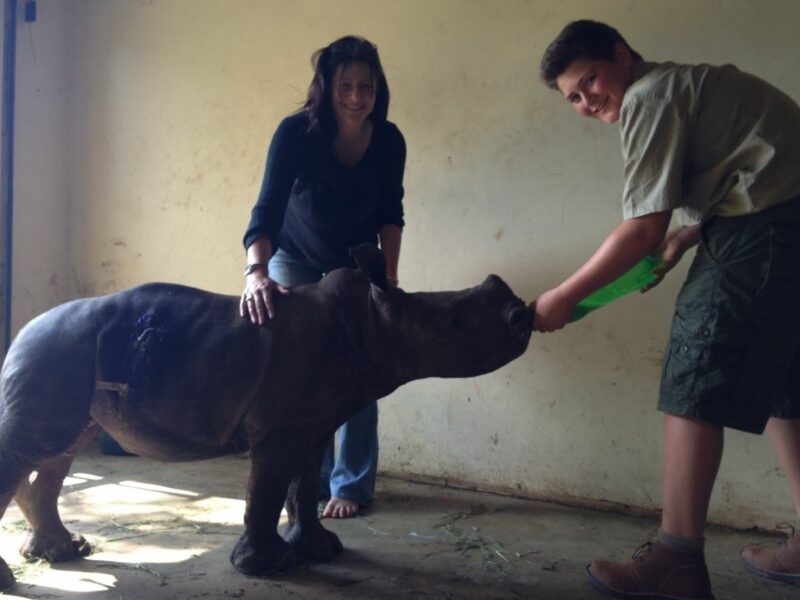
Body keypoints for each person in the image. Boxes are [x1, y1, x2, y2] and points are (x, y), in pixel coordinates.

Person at [536, 19, 800, 599]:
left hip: (766, 226)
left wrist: (561, 297)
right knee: (784, 375)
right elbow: (747, 162)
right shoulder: (684, 84)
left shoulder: (649, 96)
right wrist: (686, 235)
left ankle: (676, 559)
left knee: (694, 357)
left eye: (590, 81)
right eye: (573, 98)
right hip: (783, 218)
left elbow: (639, 230)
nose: (586, 102)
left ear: (621, 54)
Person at [241, 35, 406, 519]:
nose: (356, 97)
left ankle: (350, 484)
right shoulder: (295, 133)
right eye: (345, 86)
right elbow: (265, 210)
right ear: (326, 88)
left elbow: (391, 215)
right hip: (292, 256)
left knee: (359, 369)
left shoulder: (389, 139)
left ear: (378, 89)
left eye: (366, 87)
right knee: (295, 368)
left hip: (355, 262)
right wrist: (256, 272)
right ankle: (302, 477)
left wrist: (389, 280)